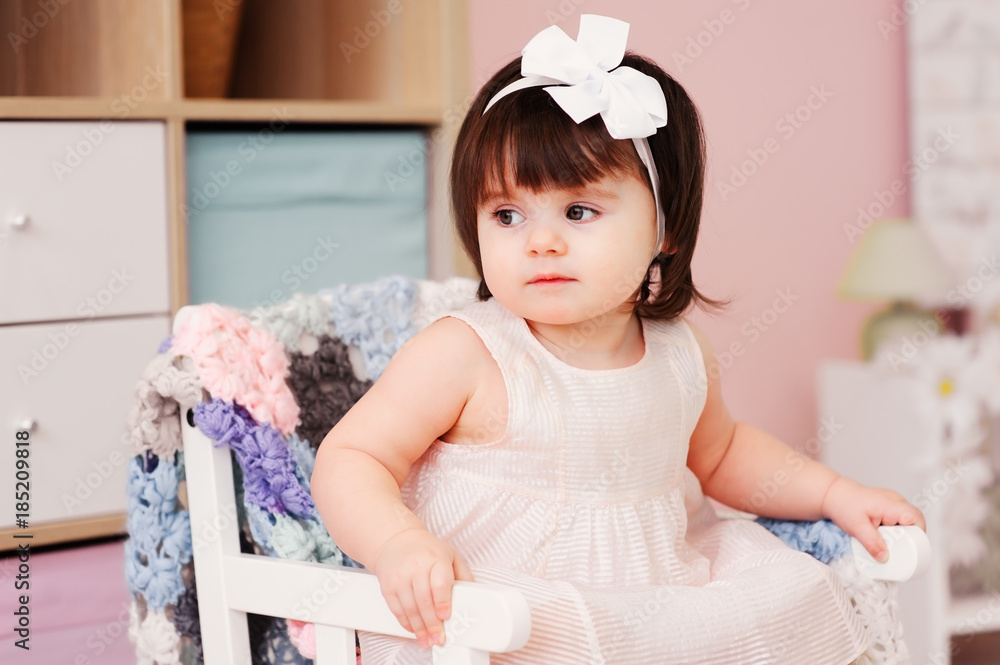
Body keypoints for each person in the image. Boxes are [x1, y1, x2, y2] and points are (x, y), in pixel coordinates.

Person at [312, 15, 925, 665]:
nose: (539, 240)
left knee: (787, 589)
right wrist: (397, 543)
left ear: (665, 229)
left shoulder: (678, 352)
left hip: (648, 594)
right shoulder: (466, 352)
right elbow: (352, 456)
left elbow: (721, 454)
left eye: (579, 211)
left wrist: (833, 493)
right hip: (495, 605)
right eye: (507, 214)